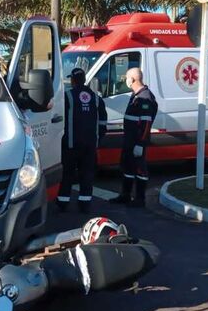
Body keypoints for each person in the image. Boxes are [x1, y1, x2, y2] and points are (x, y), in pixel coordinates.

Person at [56, 68, 107, 213]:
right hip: (90, 145)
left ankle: (63, 203)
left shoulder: (67, 96)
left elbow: (59, 120)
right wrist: (98, 138)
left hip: (71, 144)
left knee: (67, 174)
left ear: (72, 80)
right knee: (87, 174)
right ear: (84, 80)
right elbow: (103, 121)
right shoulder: (96, 98)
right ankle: (84, 203)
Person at [109, 68, 157, 208]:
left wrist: (141, 144)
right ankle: (125, 195)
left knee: (140, 169)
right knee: (127, 167)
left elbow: (146, 123)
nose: (125, 81)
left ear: (133, 79)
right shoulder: (136, 95)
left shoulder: (145, 97)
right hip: (129, 140)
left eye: (127, 78)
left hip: (137, 141)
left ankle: (140, 199)